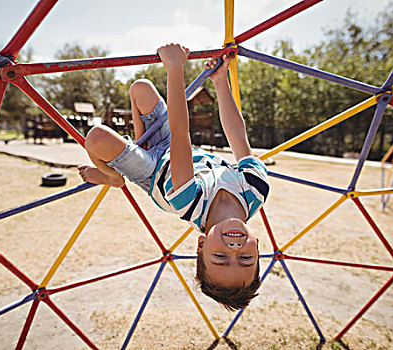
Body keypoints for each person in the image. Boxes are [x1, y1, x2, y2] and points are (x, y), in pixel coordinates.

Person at [79, 43, 270, 311]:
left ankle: (114, 177)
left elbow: (183, 133)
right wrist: (220, 82)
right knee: (140, 88)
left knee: (97, 137)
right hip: (172, 145)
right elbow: (238, 136)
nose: (234, 248)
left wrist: (175, 67)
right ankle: (137, 144)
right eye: (246, 259)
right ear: (258, 247)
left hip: (153, 170)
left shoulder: (188, 202)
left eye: (220, 256)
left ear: (200, 244)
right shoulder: (256, 188)